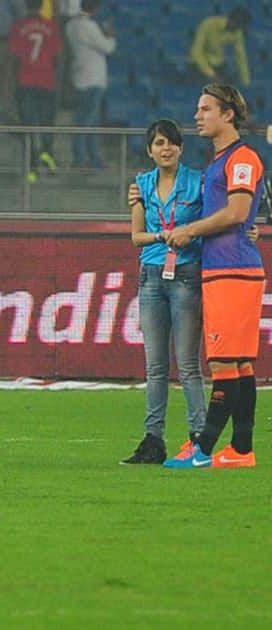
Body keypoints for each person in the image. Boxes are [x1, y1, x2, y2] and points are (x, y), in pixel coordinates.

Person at [162, 84, 264, 469]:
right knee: (239, 364)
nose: (197, 116)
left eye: (205, 109)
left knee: (223, 363)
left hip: (233, 270)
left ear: (228, 114)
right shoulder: (219, 162)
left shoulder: (242, 158)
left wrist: (191, 231)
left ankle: (202, 448)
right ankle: (240, 449)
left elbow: (238, 211)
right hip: (226, 268)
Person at [123, 120, 206, 464]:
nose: (165, 148)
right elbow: (136, 236)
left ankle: (200, 437)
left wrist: (247, 233)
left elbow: (215, 223)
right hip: (152, 275)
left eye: (171, 142)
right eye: (159, 143)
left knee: (188, 364)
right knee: (155, 367)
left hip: (186, 273)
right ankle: (153, 441)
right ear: (150, 150)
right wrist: (163, 236)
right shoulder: (141, 185)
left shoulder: (198, 182)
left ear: (181, 148)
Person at [10, 0, 62, 181]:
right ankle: (47, 156)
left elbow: (15, 57)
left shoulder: (19, 27)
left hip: (25, 82)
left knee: (28, 127)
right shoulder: (52, 27)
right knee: (47, 124)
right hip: (47, 81)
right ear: (41, 5)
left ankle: (32, 167)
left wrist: (14, 83)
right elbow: (57, 57)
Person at [65, 0, 114, 170]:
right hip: (93, 78)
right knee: (87, 121)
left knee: (89, 121)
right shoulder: (89, 27)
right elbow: (108, 47)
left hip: (79, 76)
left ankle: (94, 159)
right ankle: (81, 157)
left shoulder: (70, 26)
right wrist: (110, 34)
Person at [189, 7, 251, 88]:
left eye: (240, 27)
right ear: (231, 19)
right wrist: (211, 74)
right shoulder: (208, 24)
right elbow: (196, 52)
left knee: (230, 90)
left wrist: (246, 83)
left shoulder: (237, 31)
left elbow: (241, 57)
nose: (237, 30)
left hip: (218, 64)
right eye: (237, 25)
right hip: (198, 64)